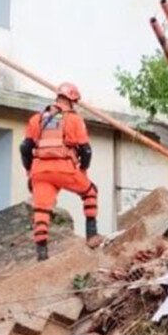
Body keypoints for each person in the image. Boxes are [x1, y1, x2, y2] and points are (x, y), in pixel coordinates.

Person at [19, 83, 103, 261]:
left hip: (40, 171)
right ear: (72, 100)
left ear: (58, 97)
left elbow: (25, 147)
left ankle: (42, 255)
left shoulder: (37, 119)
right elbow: (86, 150)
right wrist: (83, 171)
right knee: (90, 192)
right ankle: (92, 235)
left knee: (41, 209)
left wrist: (29, 171)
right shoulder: (74, 119)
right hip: (64, 168)